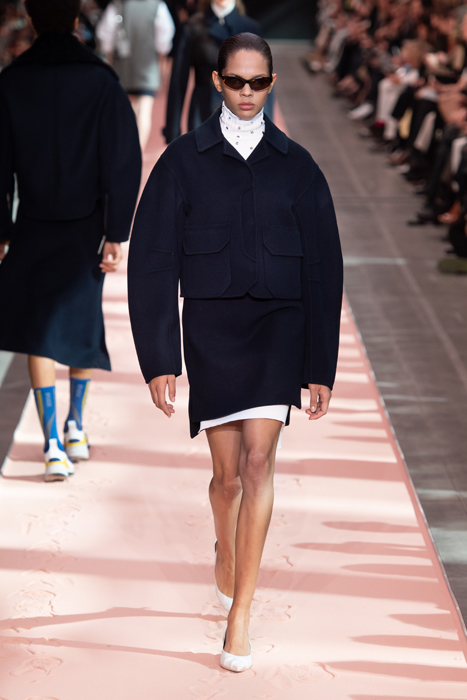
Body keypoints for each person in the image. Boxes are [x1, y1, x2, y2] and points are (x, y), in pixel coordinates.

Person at [128, 33, 343, 672]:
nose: (247, 93)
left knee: (256, 463)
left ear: (271, 83)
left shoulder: (299, 167)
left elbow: (324, 268)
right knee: (225, 479)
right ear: (218, 81)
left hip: (279, 326)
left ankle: (240, 613)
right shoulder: (183, 161)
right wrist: (159, 356)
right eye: (236, 81)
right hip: (213, 328)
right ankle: (227, 549)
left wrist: (319, 366)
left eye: (259, 83)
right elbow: (152, 260)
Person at [0, 0, 142, 481]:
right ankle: (75, 425)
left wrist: (1, 228)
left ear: (32, 19)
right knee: (82, 321)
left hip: (34, 218)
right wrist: (117, 231)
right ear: (77, 20)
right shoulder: (101, 81)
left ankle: (52, 444)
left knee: (39, 328)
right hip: (87, 224)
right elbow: (122, 160)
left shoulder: (12, 80)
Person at [163, 0, 273, 144]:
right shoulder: (192, 27)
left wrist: (268, 133)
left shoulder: (251, 28)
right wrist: (173, 132)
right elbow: (178, 81)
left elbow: (263, 81)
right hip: (203, 111)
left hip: (244, 114)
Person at [96, 0, 175, 151]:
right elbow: (164, 37)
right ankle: (138, 151)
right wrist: (161, 62)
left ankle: (127, 150)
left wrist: (110, 63)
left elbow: (105, 37)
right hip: (148, 67)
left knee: (125, 113)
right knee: (143, 111)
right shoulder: (157, 6)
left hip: (122, 68)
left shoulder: (117, 6)